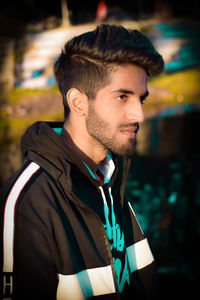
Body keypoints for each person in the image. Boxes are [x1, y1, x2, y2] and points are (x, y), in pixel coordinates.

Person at [0, 24, 164, 300]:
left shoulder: (110, 179)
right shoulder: (28, 202)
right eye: (122, 96)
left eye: (140, 99)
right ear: (78, 102)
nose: (139, 115)